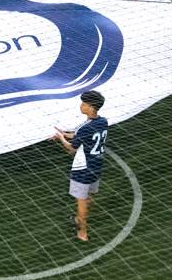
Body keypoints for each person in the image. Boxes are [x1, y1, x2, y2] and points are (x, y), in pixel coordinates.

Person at [52, 90, 108, 242]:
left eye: (84, 103)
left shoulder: (85, 127)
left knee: (81, 201)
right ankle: (79, 219)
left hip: (82, 169)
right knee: (89, 196)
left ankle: (82, 232)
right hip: (97, 165)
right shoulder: (102, 122)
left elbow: (71, 148)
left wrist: (61, 139)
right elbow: (79, 135)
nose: (81, 106)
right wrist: (63, 133)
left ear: (91, 107)